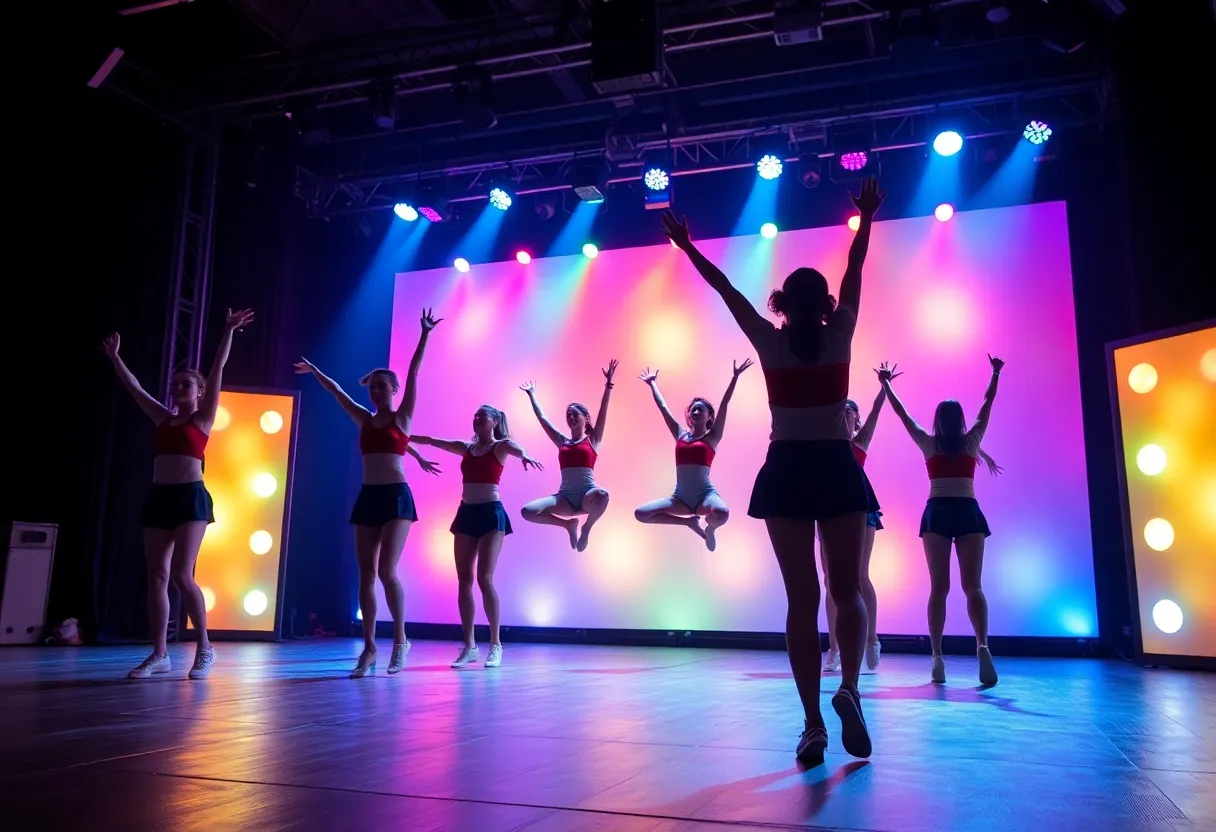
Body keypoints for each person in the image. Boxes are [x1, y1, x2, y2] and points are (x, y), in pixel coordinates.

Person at [661, 176, 885, 766]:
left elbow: (728, 290)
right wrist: (864, 217)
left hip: (786, 470)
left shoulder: (768, 340)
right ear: (826, 306)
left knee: (801, 598)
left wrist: (687, 247)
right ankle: (850, 690)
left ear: (784, 304)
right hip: (836, 467)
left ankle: (812, 724)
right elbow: (854, 272)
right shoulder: (841, 334)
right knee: (846, 590)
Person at [103, 307, 255, 681]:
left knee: (182, 577)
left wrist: (228, 332)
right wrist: (115, 358)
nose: (176, 389)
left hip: (190, 499)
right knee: (156, 575)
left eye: (185, 384)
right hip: (160, 498)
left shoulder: (202, 419)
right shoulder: (162, 417)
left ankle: (204, 648)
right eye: (174, 384)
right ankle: (159, 654)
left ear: (199, 392)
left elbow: (217, 369)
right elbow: (135, 389)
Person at [293, 309, 443, 678]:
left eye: (382, 386)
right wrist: (316, 372)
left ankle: (400, 642)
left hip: (396, 497)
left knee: (387, 571)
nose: (376, 390)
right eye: (373, 386)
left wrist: (423, 335)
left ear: (392, 390)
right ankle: (370, 648)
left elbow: (413, 372)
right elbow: (337, 392)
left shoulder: (401, 417)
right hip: (369, 497)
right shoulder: (363, 416)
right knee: (365, 573)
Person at [877, 354, 1005, 687]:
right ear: (960, 420)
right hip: (967, 511)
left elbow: (903, 415)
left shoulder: (928, 442)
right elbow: (987, 403)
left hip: (937, 512)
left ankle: (937, 658)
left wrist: (887, 384)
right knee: (973, 586)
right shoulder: (972, 440)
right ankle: (983, 647)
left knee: (939, 588)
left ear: (937, 420)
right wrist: (995, 372)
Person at [411, 406, 543, 669]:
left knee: (485, 578)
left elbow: (515, 448)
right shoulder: (466, 447)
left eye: (482, 416)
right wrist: (406, 436)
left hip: (491, 514)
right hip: (466, 513)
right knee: (464, 581)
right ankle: (470, 646)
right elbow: (435, 441)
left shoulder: (501, 446)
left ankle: (495, 644)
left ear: (495, 421)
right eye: (474, 416)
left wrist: (525, 455)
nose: (476, 419)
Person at [633, 359, 752, 551]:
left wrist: (735, 377)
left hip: (705, 496)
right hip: (680, 499)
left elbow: (725, 404)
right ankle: (689, 523)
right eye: (693, 409)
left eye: (700, 409)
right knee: (641, 513)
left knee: (722, 512)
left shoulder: (712, 438)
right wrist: (652, 383)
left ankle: (710, 529)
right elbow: (663, 408)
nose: (695, 411)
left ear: (709, 417)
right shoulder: (680, 434)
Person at [518, 359, 618, 551]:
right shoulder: (561, 441)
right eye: (568, 415)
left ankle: (586, 528)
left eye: (575, 415)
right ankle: (568, 525)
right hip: (564, 498)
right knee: (528, 511)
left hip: (587, 496)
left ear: (586, 418)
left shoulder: (593, 439)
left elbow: (603, 411)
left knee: (603, 495)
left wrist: (608, 384)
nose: (570, 417)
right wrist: (531, 395)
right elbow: (543, 419)